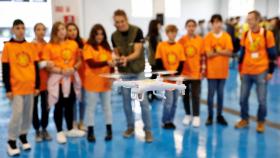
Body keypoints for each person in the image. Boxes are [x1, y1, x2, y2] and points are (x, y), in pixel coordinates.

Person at [111, 9, 153, 142]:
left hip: (138, 71)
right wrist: (117, 59)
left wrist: (126, 59)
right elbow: (117, 52)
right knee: (126, 103)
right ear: (115, 23)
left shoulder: (137, 31)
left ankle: (148, 130)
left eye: (122, 21)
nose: (120, 24)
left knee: (144, 102)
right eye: (117, 22)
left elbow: (137, 51)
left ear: (126, 19)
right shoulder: (114, 36)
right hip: (125, 73)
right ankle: (130, 127)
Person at [2, 19, 40, 156]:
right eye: (17, 28)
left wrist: (37, 86)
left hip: (29, 87)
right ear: (13, 30)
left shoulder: (31, 46)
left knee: (27, 115)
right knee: (16, 115)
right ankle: (11, 141)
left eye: (23, 28)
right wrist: (8, 89)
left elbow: (35, 67)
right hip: (16, 87)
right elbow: (5, 69)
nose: (20, 30)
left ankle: (23, 136)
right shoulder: (8, 47)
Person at [42, 21, 85, 144]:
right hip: (57, 81)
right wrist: (61, 70)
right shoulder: (49, 46)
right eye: (59, 29)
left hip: (70, 79)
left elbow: (79, 60)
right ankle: (59, 131)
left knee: (70, 105)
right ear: (55, 32)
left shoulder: (73, 44)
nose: (62, 31)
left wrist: (74, 68)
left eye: (63, 29)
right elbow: (47, 66)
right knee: (59, 106)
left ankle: (70, 129)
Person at [235, 10, 277, 133]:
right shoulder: (245, 34)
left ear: (258, 20)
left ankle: (260, 122)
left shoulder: (267, 34)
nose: (248, 21)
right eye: (247, 19)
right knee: (242, 99)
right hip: (246, 71)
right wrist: (240, 69)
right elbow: (242, 53)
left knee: (262, 100)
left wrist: (270, 72)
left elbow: (273, 54)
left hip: (261, 71)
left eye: (251, 19)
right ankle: (244, 119)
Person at [83, 24, 114, 142]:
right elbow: (91, 64)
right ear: (93, 34)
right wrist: (106, 63)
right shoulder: (88, 47)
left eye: (102, 33)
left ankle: (109, 130)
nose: (100, 36)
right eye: (97, 33)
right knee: (91, 108)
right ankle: (90, 132)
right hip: (92, 82)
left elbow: (111, 64)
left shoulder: (106, 47)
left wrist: (111, 78)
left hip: (105, 82)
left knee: (107, 107)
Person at [204, 14, 233, 126]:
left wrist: (215, 50)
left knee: (221, 95)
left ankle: (219, 115)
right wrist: (222, 51)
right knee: (210, 95)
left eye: (219, 22)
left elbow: (230, 53)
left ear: (221, 23)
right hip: (211, 72)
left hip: (223, 72)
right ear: (212, 24)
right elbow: (208, 54)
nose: (217, 24)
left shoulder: (226, 37)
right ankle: (210, 116)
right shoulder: (208, 37)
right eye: (215, 22)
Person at [155, 24, 186, 129]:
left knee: (175, 102)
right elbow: (158, 61)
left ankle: (171, 120)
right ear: (167, 33)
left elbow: (182, 62)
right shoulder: (161, 45)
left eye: (174, 32)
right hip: (167, 79)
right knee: (169, 101)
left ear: (176, 33)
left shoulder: (179, 46)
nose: (172, 34)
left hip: (176, 79)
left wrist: (176, 74)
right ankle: (165, 121)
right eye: (170, 32)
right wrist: (167, 74)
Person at [178, 19, 204, 127]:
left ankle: (196, 116)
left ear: (196, 27)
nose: (191, 28)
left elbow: (202, 57)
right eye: (189, 26)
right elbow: (178, 57)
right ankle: (188, 115)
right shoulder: (181, 40)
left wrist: (202, 71)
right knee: (185, 96)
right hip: (184, 73)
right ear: (186, 27)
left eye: (193, 26)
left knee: (195, 95)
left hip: (196, 73)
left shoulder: (200, 40)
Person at [32, 23, 52, 142]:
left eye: (43, 30)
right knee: (34, 108)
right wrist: (44, 63)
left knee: (46, 108)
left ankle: (44, 129)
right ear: (34, 31)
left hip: (46, 82)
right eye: (38, 29)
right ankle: (37, 130)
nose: (41, 32)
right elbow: (32, 65)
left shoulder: (48, 45)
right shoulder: (31, 46)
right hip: (34, 82)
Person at [66, 22, 86, 130]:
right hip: (71, 76)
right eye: (69, 30)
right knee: (72, 101)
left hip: (83, 76)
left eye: (74, 29)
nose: (72, 32)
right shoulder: (65, 44)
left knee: (83, 101)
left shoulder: (84, 42)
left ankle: (82, 122)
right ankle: (73, 122)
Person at [146, 19, 162, 101]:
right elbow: (157, 49)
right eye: (158, 24)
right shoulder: (152, 36)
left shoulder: (157, 35)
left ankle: (153, 93)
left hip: (156, 59)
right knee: (154, 76)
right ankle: (149, 92)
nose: (160, 26)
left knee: (155, 76)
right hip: (154, 60)